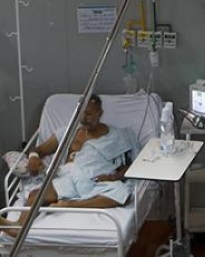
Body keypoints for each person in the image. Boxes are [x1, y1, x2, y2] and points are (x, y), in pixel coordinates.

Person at [0, 95, 136, 236]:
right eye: (81, 114)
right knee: (35, 195)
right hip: (67, 178)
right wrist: (33, 157)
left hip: (95, 180)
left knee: (121, 192)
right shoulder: (67, 132)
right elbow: (39, 150)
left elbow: (130, 166)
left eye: (88, 114)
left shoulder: (117, 136)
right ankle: (18, 227)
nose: (84, 119)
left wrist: (113, 177)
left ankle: (70, 205)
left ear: (100, 113)